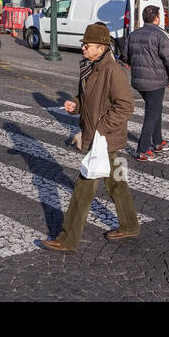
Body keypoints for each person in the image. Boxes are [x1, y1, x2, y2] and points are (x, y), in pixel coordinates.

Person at [41, 22, 139, 253]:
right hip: (102, 138)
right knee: (116, 183)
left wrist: (101, 128)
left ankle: (67, 239)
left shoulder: (112, 71)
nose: (83, 47)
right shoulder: (90, 67)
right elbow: (86, 99)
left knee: (83, 189)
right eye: (84, 44)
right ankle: (130, 225)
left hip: (104, 139)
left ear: (101, 47)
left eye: (88, 45)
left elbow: (125, 106)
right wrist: (74, 105)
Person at [121, 4, 169, 160]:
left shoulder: (133, 34)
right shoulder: (161, 35)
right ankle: (142, 150)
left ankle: (158, 141)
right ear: (157, 18)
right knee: (152, 113)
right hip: (156, 82)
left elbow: (125, 56)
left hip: (138, 80)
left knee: (155, 108)